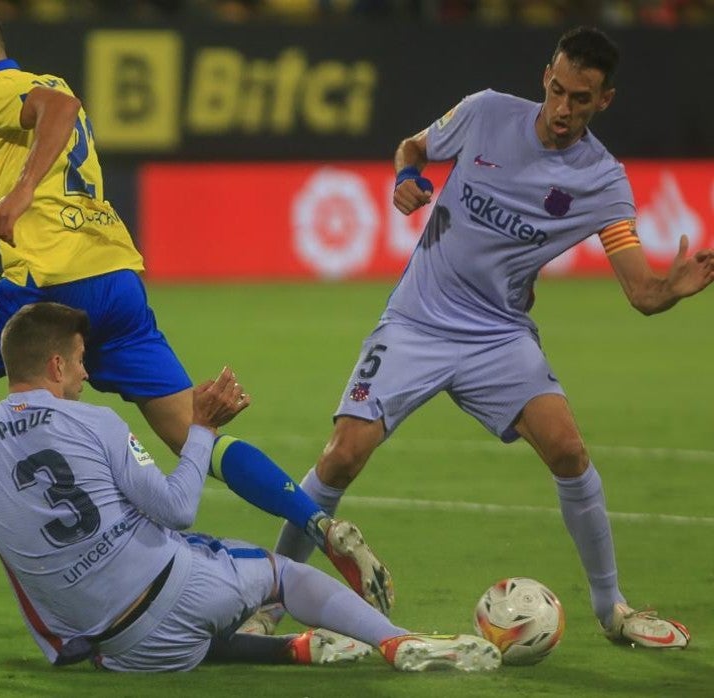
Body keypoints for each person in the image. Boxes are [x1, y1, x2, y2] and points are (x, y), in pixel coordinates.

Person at [0, 0, 392, 617]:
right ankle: (321, 526)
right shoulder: (32, 85)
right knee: (193, 428)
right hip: (116, 280)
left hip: (48, 288)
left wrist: (21, 194)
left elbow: (55, 116)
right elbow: (35, 122)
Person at [258, 26, 709, 648]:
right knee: (340, 456)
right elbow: (412, 147)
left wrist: (671, 289)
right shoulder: (487, 112)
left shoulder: (602, 181)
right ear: (545, 75)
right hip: (417, 320)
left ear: (604, 100)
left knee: (570, 452)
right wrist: (405, 180)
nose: (561, 109)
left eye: (580, 99)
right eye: (556, 90)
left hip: (499, 338)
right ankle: (273, 599)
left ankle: (612, 611)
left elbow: (640, 291)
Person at [0, 302, 500, 673]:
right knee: (284, 575)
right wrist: (200, 429)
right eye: (79, 360)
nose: (86, 372)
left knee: (166, 625)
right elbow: (177, 509)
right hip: (181, 593)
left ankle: (293, 649)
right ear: (54, 367)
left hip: (111, 652)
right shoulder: (96, 420)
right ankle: (398, 643)